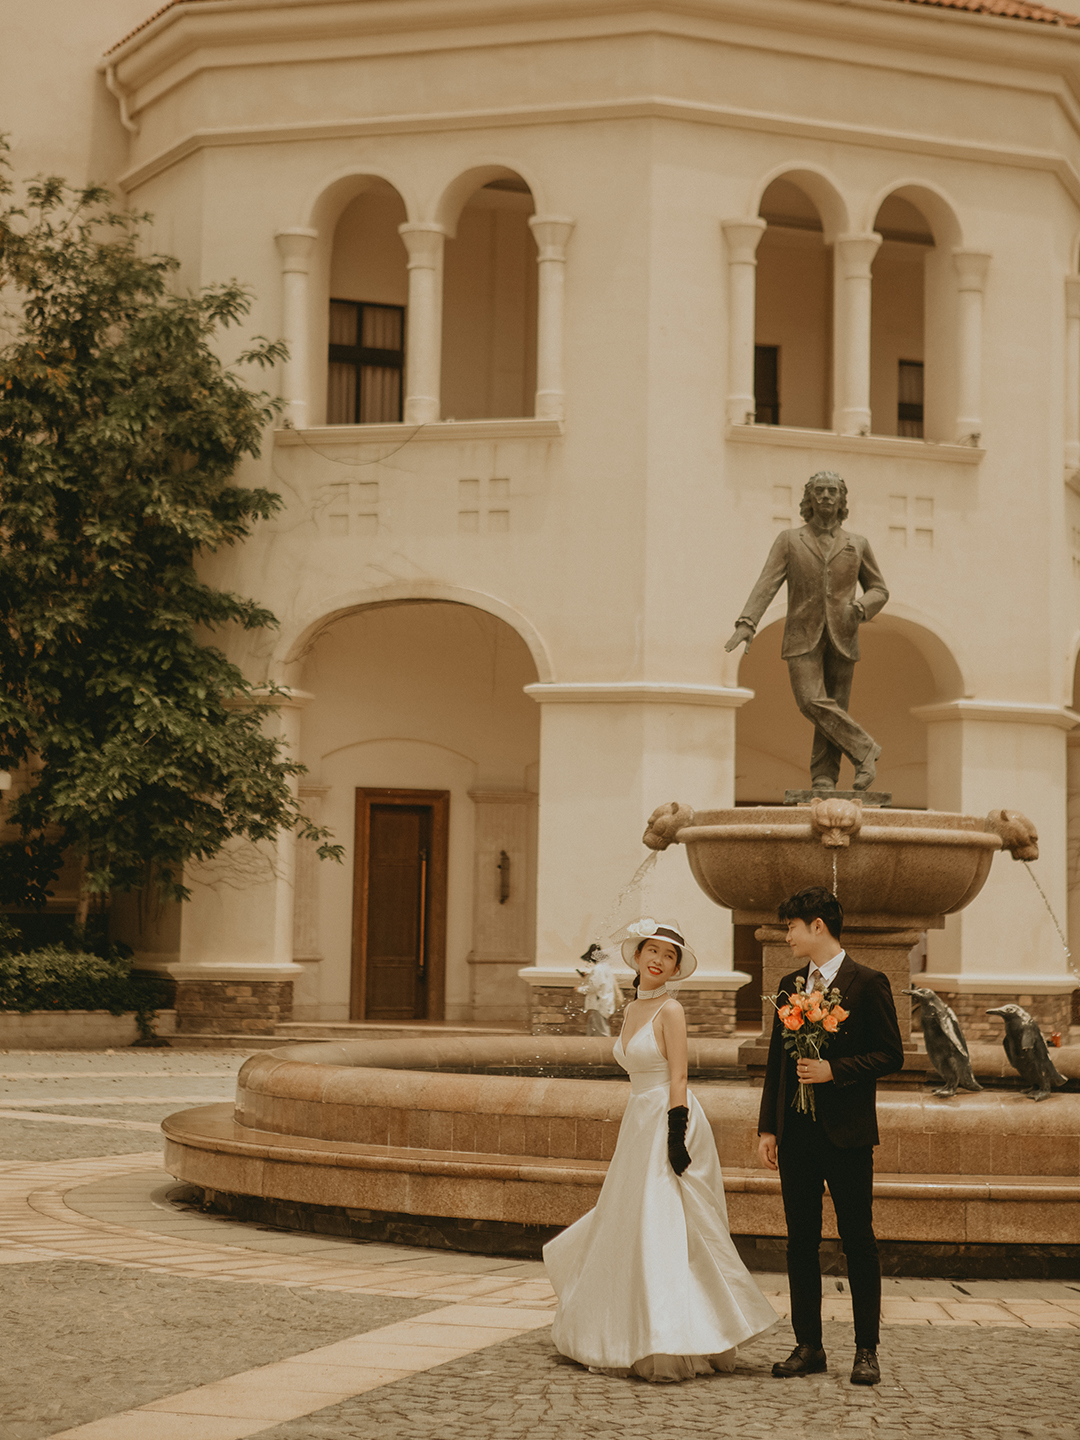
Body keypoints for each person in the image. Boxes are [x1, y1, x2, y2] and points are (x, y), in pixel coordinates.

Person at [545, 919, 777, 1381]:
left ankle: (673, 1334)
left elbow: (679, 1075)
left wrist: (675, 1133)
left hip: (671, 1117)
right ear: (638, 957)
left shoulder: (671, 1010)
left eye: (669, 956)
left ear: (674, 969)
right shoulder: (632, 1008)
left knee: (664, 1223)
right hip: (638, 1119)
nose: (658, 960)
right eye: (652, 951)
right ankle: (624, 1328)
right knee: (630, 1220)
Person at [757, 886, 904, 1387]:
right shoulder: (788, 984)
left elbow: (891, 1054)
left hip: (848, 1135)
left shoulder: (868, 983)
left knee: (858, 1240)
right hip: (796, 1136)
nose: (787, 936)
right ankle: (809, 1346)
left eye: (791, 927)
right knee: (800, 1242)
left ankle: (866, 1350)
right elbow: (777, 1063)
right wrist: (768, 1127)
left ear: (817, 925)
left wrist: (833, 1071)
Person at [725, 471, 889, 793]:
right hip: (802, 632)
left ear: (841, 500)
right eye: (819, 491)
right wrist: (747, 622)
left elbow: (879, 589)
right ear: (809, 498)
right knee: (810, 700)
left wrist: (860, 607)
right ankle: (864, 748)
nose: (826, 496)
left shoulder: (857, 544)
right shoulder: (789, 540)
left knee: (834, 707)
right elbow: (767, 582)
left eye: (832, 491)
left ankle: (824, 777)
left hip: (844, 632)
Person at [576, 943, 622, 1037]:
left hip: (598, 1004)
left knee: (600, 1031)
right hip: (604, 1002)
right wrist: (588, 976)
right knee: (594, 1029)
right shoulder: (606, 968)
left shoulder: (598, 969)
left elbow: (594, 987)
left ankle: (606, 1046)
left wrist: (580, 989)